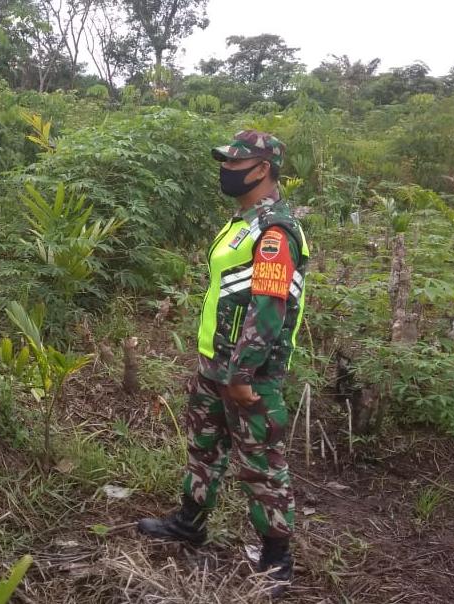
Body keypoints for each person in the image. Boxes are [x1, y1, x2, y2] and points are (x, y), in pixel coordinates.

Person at [137, 131, 308, 597]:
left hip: (246, 375)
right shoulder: (243, 222)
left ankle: (276, 560)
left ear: (262, 169)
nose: (226, 170)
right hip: (216, 364)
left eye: (236, 162)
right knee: (204, 448)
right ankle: (189, 522)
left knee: (261, 464)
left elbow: (269, 305)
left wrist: (243, 372)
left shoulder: (275, 230)